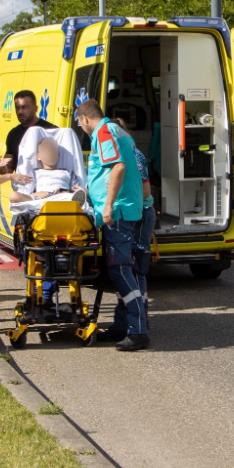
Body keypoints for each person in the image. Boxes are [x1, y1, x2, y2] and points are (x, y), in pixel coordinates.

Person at [75, 99, 147, 351]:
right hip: (126, 208)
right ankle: (122, 325)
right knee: (123, 269)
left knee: (121, 270)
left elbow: (118, 166)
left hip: (117, 212)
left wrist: (107, 205)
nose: (81, 126)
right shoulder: (117, 130)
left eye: (79, 122)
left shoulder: (103, 132)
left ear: (84, 119)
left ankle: (138, 329)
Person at [114, 117, 156, 333]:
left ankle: (140, 321)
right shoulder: (125, 153)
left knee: (136, 270)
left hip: (139, 214)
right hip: (132, 213)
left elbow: (145, 192)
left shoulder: (135, 155)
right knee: (128, 270)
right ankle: (125, 322)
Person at [0, 90, 56, 177]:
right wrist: (4, 168)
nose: (20, 112)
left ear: (35, 109)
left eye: (24, 107)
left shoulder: (50, 131)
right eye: (17, 108)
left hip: (46, 185)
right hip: (23, 186)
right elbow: (9, 165)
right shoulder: (13, 134)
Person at [5, 137, 86, 205]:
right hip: (41, 200)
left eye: (52, 151)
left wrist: (65, 192)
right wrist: (36, 194)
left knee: (78, 195)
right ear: (38, 156)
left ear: (58, 155)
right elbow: (27, 190)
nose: (49, 154)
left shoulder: (68, 172)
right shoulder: (35, 173)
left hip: (62, 197)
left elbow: (78, 191)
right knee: (14, 196)